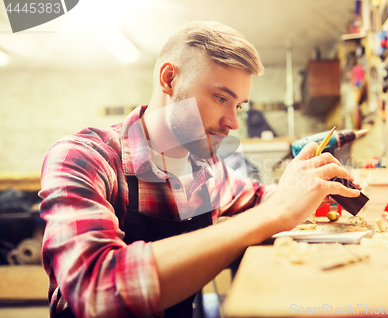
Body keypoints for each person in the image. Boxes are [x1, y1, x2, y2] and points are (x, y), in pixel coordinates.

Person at [39, 21, 361, 318]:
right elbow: (95, 291)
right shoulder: (84, 158)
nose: (233, 122)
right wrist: (271, 215)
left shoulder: (205, 172)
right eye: (221, 97)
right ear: (169, 79)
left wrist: (309, 186)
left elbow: (261, 196)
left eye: (238, 106)